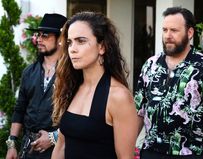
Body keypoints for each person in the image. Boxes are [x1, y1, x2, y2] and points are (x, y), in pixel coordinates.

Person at [134, 6, 203, 159]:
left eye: (174, 30)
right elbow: (139, 111)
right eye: (165, 30)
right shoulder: (150, 65)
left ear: (190, 32)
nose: (168, 35)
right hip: (150, 152)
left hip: (189, 154)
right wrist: (127, 147)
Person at [51, 11, 139, 159]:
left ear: (102, 47)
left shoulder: (118, 96)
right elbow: (61, 146)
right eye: (70, 42)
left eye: (81, 41)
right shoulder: (70, 87)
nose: (72, 48)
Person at [5, 13, 67, 159]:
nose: (39, 39)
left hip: (58, 151)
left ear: (60, 39)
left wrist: (54, 137)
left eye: (45, 35)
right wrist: (12, 145)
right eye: (38, 35)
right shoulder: (29, 72)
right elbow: (20, 109)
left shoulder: (72, 74)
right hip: (28, 150)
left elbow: (78, 116)